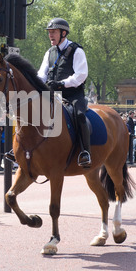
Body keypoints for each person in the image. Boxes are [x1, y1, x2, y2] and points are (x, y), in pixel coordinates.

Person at [37, 17, 91, 167]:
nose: (50, 35)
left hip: (72, 94)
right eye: (49, 32)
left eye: (53, 32)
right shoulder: (49, 52)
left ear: (63, 33)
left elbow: (81, 75)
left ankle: (85, 152)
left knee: (80, 116)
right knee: (31, 111)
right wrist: (34, 83)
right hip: (52, 93)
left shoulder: (77, 50)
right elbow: (42, 74)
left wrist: (61, 83)